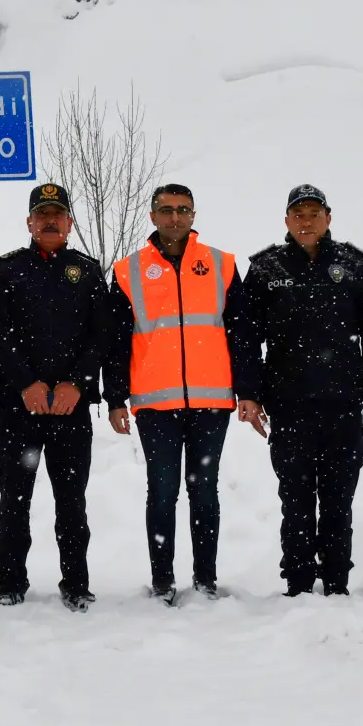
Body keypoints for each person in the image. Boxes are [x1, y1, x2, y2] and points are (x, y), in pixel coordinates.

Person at [104, 183, 258, 605]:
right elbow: (115, 342)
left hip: (212, 402)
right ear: (152, 216)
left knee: (203, 490)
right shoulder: (128, 270)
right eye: (167, 210)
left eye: (183, 210)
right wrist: (115, 397)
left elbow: (242, 333)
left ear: (194, 215)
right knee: (163, 491)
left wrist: (248, 390)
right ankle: (162, 582)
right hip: (155, 405)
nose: (175, 217)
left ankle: (205, 580)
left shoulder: (221, 265)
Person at [239, 184, 363, 597]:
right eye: (298, 214)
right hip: (288, 405)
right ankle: (300, 584)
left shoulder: (354, 266)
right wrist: (249, 394)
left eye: (313, 214)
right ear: (287, 220)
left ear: (328, 218)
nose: (306, 222)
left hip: (342, 404)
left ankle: (337, 581)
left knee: (338, 503)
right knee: (297, 502)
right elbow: (246, 339)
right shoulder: (266, 268)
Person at [0, 183, 111, 612]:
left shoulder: (88, 271)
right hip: (22, 407)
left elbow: (100, 335)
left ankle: (76, 584)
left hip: (70, 409)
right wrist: (26, 383)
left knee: (72, 502)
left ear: (69, 222)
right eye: (43, 215)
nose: (50, 221)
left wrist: (76, 382)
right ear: (30, 223)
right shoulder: (9, 269)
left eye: (58, 214)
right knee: (14, 500)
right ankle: (10, 581)